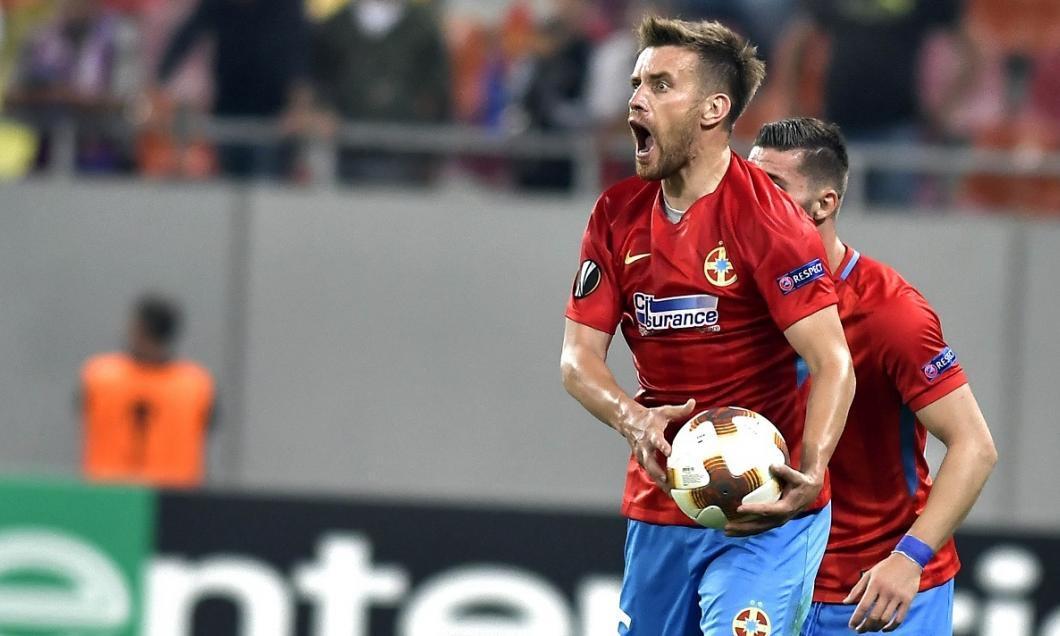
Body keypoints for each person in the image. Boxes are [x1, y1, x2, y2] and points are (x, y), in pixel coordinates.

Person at [559, 17, 855, 635]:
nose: (636, 99)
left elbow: (834, 363)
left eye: (661, 85)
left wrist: (811, 473)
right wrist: (632, 417)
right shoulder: (615, 214)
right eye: (637, 84)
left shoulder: (770, 220)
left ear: (713, 110)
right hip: (664, 501)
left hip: (764, 510)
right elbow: (577, 359)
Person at [748, 117, 997, 634]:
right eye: (746, 185)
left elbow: (974, 446)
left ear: (824, 204)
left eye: (771, 188)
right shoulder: (737, 302)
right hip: (770, 582)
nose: (750, 203)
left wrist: (909, 558)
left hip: (878, 594)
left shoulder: (890, 312)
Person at [154, 0, 311, 180]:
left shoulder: (286, 6)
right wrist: (159, 83)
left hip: (272, 113)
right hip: (228, 106)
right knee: (225, 177)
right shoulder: (218, 4)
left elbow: (299, 55)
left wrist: (298, 105)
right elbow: (186, 37)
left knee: (265, 181)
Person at [80, 294, 215, 488]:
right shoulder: (196, 384)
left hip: (112, 494)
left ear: (138, 328)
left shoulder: (100, 375)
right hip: (171, 496)